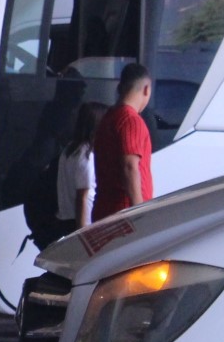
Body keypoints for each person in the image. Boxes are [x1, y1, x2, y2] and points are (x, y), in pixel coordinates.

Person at [92, 63, 154, 221]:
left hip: (104, 210)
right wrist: (139, 211)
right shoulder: (131, 121)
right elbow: (130, 166)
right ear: (146, 89)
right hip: (124, 214)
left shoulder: (108, 117)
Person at [56, 101, 108, 237]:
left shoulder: (69, 149)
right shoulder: (86, 156)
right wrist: (83, 232)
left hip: (65, 218)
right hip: (80, 222)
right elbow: (82, 197)